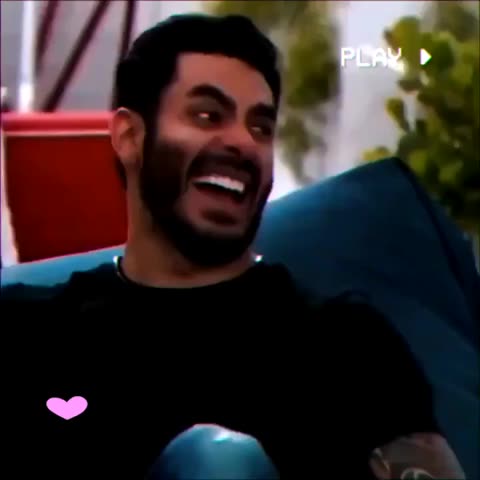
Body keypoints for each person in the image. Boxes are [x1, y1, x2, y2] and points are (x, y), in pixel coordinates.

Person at [2, 14, 465, 480]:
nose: (243, 143)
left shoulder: (346, 348)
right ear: (130, 137)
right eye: (208, 116)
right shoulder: (28, 331)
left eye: (260, 127)